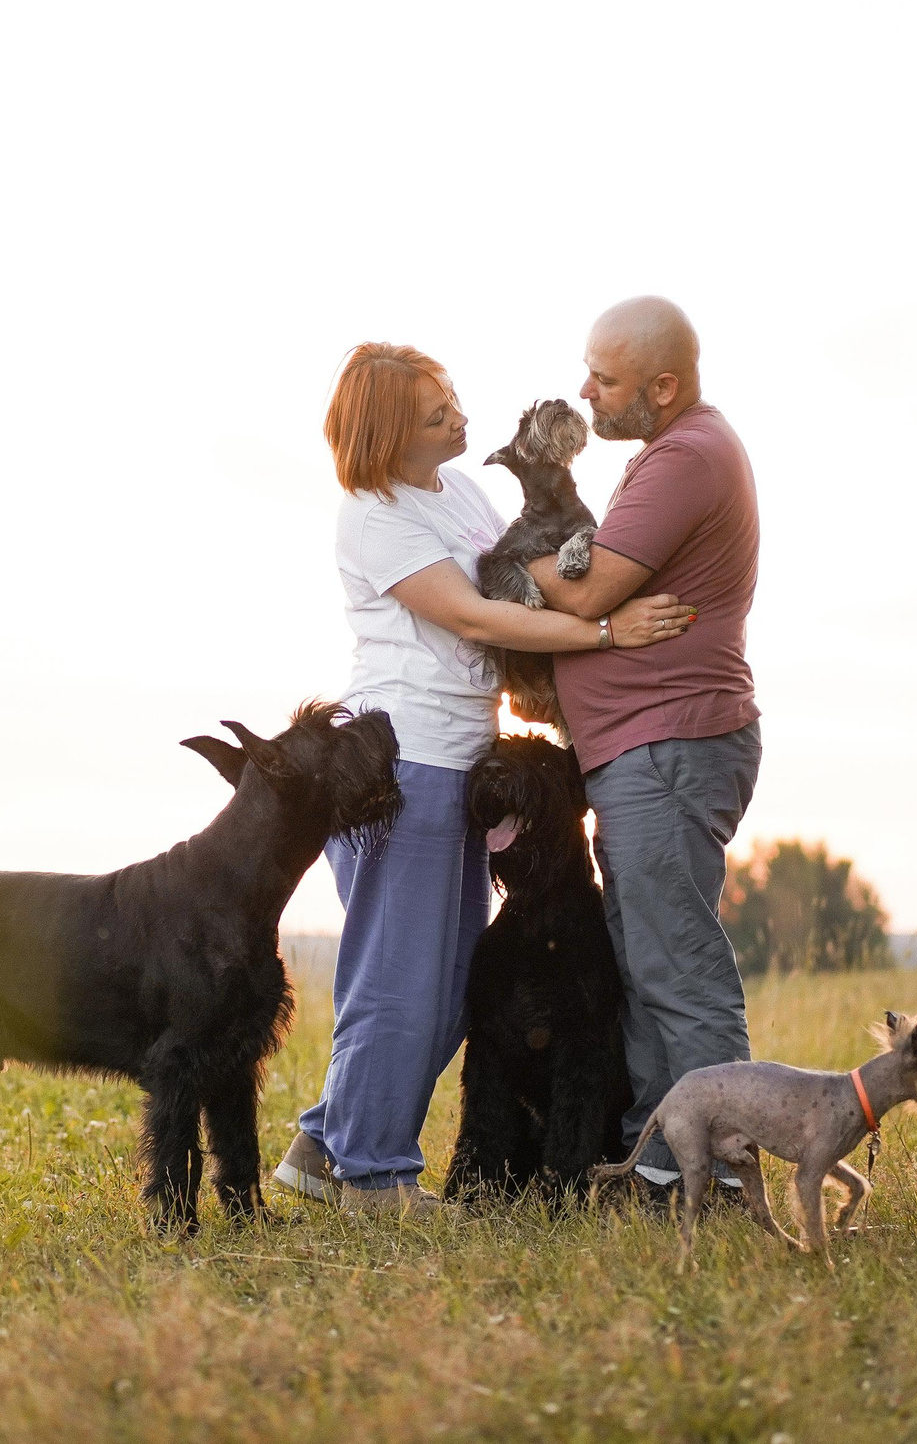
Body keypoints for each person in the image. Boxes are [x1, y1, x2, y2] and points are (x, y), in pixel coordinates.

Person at [271, 341, 695, 1219]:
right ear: (391, 431)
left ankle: (326, 1141)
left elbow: (523, 577)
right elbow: (470, 612)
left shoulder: (454, 491)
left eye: (454, 400)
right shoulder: (373, 512)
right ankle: (375, 1177)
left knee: (452, 977)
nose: (462, 419)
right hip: (407, 761)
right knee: (399, 979)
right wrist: (610, 638)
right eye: (437, 414)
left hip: (461, 754)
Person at [525, 297, 762, 1193]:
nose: (586, 393)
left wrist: (500, 568)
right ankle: (659, 1169)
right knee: (645, 963)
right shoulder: (676, 451)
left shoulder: (686, 457)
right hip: (646, 752)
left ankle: (727, 1183)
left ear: (663, 386)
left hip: (667, 751)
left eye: (607, 379)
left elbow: (583, 597)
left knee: (680, 971)